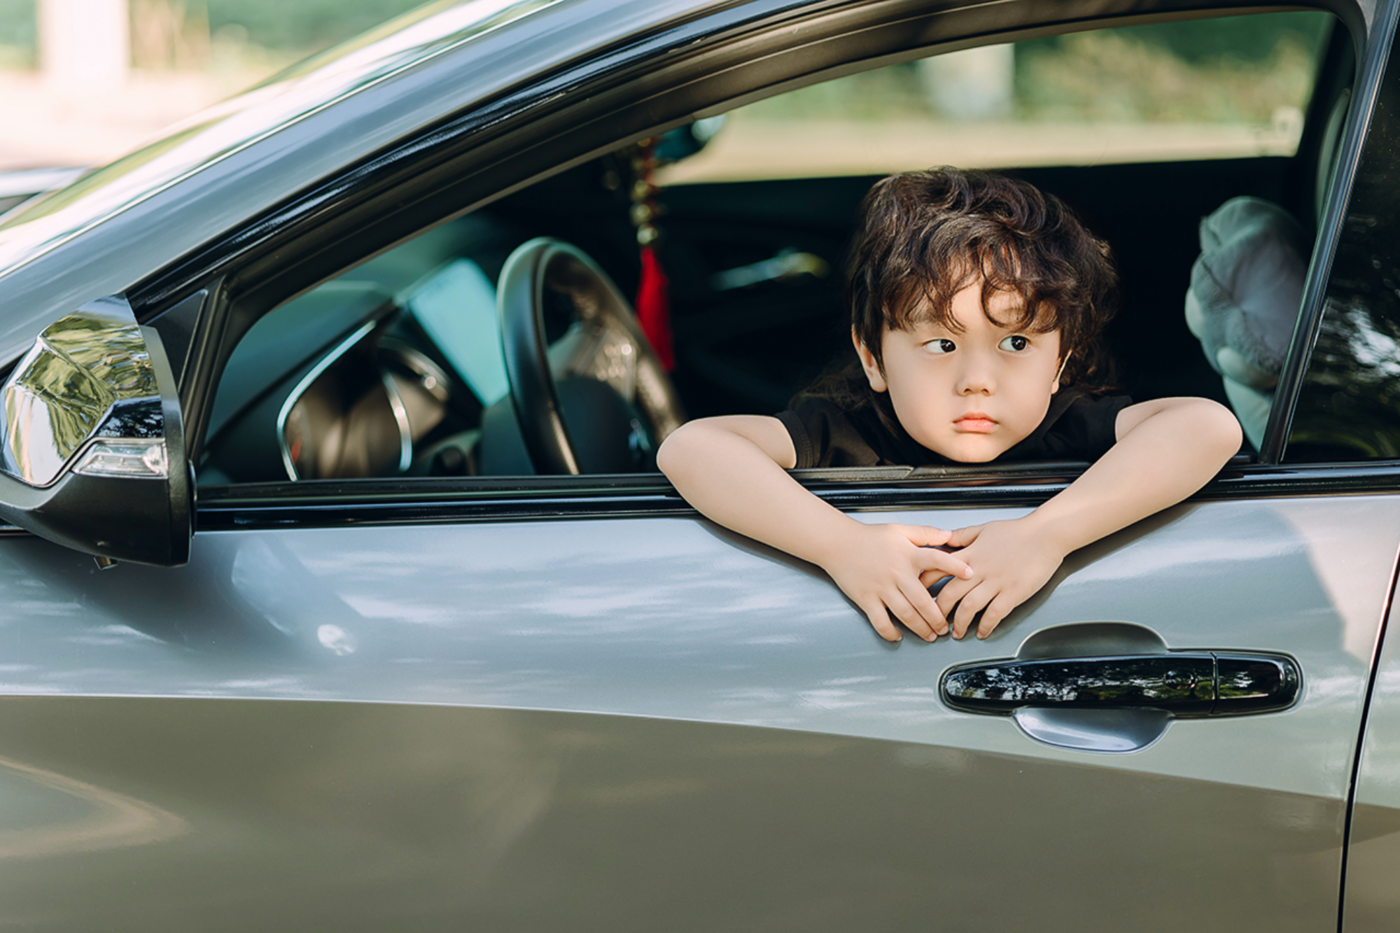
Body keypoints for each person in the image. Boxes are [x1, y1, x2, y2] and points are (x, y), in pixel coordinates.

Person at [656, 168, 1242, 644]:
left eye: (1017, 343)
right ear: (874, 359)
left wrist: (1046, 536)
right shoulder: (846, 429)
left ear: (1060, 363)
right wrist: (841, 546)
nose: (978, 381)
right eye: (942, 344)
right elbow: (692, 448)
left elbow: (1206, 425)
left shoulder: (1071, 424)